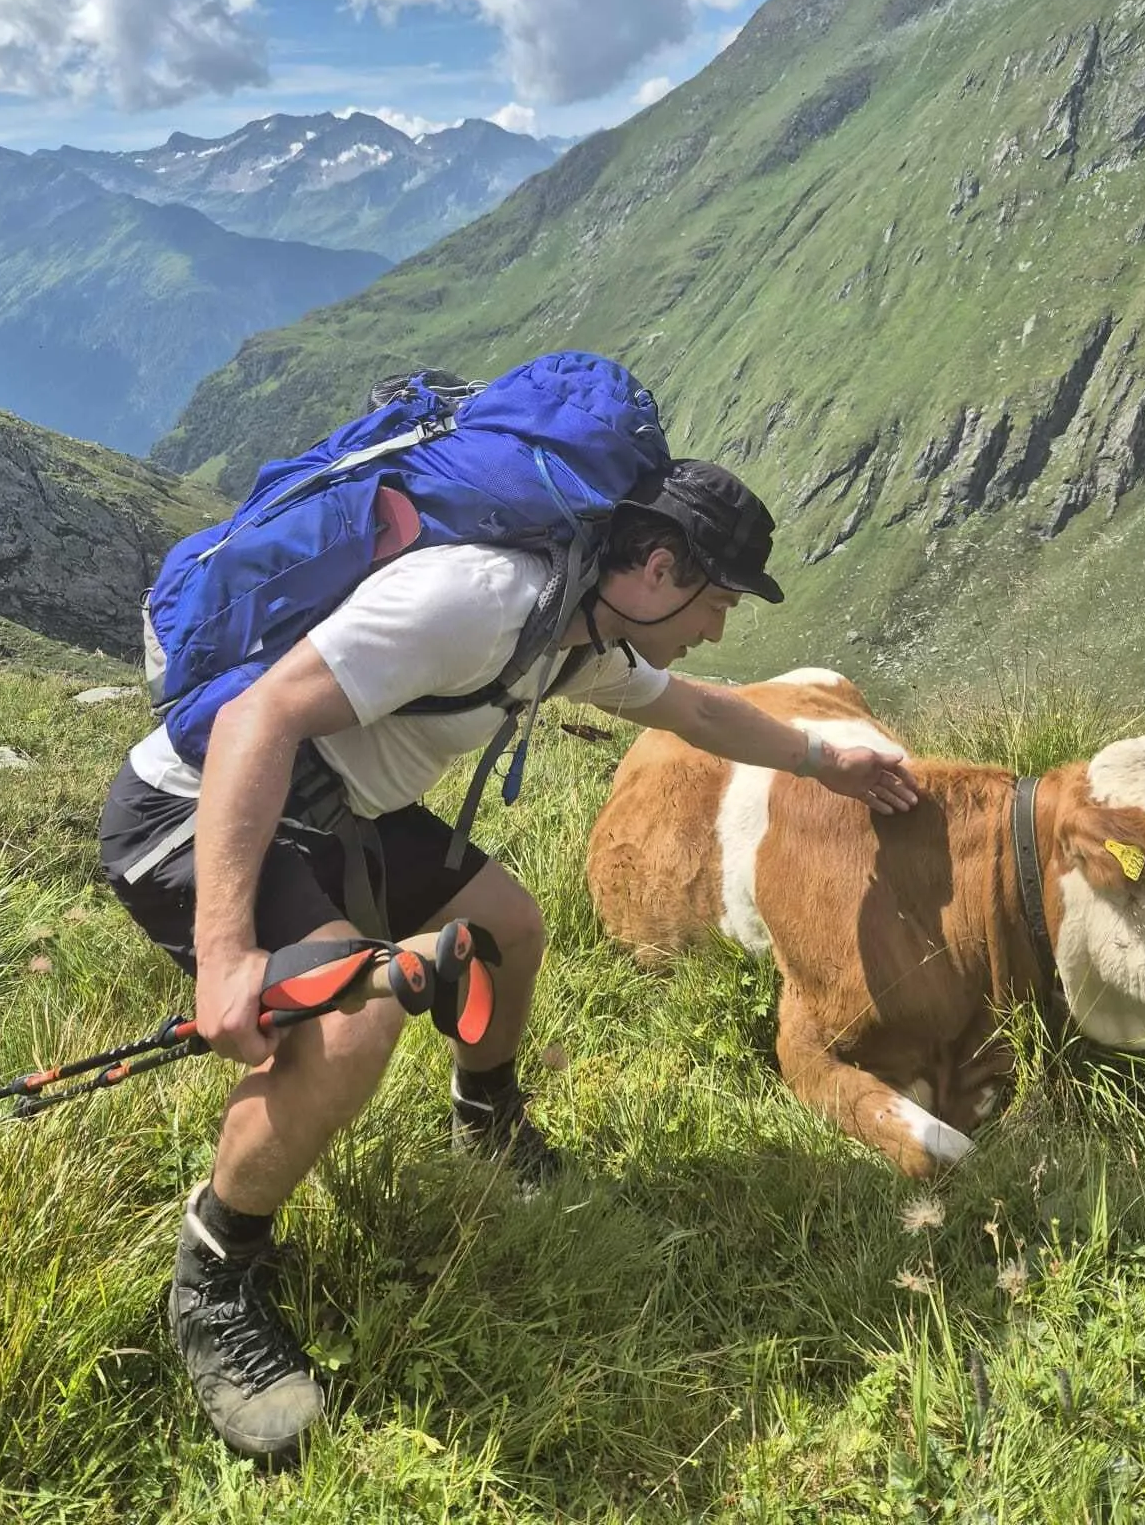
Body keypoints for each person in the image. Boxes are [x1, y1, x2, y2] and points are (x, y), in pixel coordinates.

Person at [98, 456, 918, 1460]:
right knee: (358, 1018)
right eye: (718, 600)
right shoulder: (476, 601)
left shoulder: (574, 630)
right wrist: (225, 952)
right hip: (200, 808)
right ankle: (216, 1269)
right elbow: (252, 718)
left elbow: (698, 710)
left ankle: (486, 1118)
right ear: (659, 567)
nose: (718, 628)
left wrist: (833, 759)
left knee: (510, 928)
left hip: (333, 808)